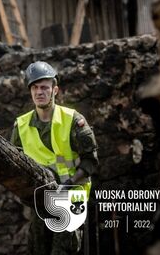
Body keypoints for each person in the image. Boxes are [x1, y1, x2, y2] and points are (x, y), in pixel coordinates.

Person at [10, 61, 98, 255]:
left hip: (73, 194)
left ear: (55, 90)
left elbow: (90, 161)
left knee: (63, 249)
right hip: (41, 199)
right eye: (34, 87)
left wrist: (67, 185)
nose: (39, 92)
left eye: (44, 87)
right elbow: (15, 167)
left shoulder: (74, 120)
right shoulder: (21, 126)